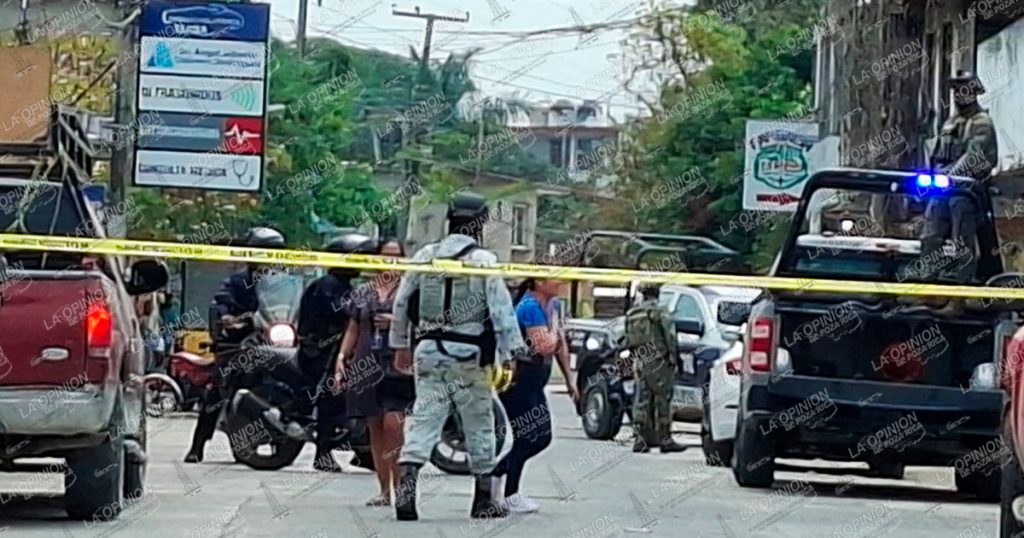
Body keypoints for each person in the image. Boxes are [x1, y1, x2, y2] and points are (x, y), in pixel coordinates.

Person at [391, 192, 525, 521]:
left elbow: (401, 303)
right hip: (470, 353)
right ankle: (483, 500)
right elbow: (502, 311)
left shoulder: (425, 255)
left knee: (424, 418)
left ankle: (407, 488)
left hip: (429, 349)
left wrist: (399, 346)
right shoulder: (484, 261)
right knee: (479, 422)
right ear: (480, 222)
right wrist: (511, 353)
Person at [184, 227, 287, 463]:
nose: (268, 258)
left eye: (274, 253)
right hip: (239, 344)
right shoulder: (238, 281)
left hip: (274, 344)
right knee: (218, 392)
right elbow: (220, 303)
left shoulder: (282, 283)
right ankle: (197, 445)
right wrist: (227, 319)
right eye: (263, 252)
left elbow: (294, 304)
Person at [334, 237, 413, 504]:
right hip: (366, 360)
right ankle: (384, 490)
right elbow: (354, 327)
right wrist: (342, 357)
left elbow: (421, 325)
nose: (390, 261)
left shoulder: (409, 290)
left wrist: (395, 322)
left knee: (394, 423)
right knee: (375, 427)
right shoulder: (363, 292)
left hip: (397, 362)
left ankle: (402, 485)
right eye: (385, 255)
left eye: (396, 256)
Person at [492, 277, 579, 513]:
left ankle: (502, 483)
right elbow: (545, 345)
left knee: (539, 436)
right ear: (539, 281)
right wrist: (553, 323)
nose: (561, 281)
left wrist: (570, 379)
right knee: (531, 436)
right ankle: (500, 481)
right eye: (554, 277)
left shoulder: (554, 306)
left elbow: (559, 344)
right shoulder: (529, 307)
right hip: (517, 381)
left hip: (536, 380)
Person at [294, 233, 376, 472]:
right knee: (331, 399)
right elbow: (339, 315)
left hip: (339, 352)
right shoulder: (327, 287)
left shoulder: (346, 288)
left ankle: (363, 451)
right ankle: (323, 452)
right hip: (320, 353)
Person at [922, 71, 998, 278]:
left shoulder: (982, 123)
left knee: (962, 240)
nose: (959, 95)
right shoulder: (949, 123)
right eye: (956, 90)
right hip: (944, 186)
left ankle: (960, 293)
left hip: (968, 190)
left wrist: (947, 177)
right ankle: (927, 287)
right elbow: (937, 155)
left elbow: (973, 158)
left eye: (964, 90)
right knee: (930, 234)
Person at [627, 283, 686, 454]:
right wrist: (674, 356)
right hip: (659, 360)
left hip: (640, 360)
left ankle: (640, 439)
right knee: (662, 398)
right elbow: (670, 335)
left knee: (641, 398)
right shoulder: (660, 312)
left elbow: (628, 340)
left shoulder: (633, 314)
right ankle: (664, 439)